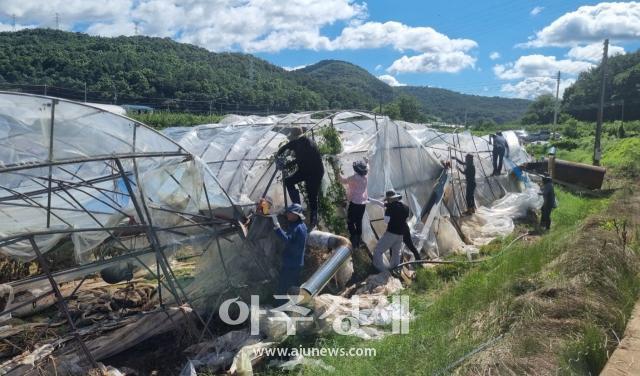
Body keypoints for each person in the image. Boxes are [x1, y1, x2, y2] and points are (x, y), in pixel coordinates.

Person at [276, 127, 325, 229]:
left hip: (315, 172)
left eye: (292, 138)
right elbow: (284, 148)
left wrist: (287, 165)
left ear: (296, 137)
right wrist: (278, 157)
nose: (291, 140)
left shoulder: (308, 144)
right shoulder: (296, 142)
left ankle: (313, 221)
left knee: (312, 195)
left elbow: (300, 160)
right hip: (304, 170)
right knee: (288, 181)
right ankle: (297, 207)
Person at [272, 204, 308, 296]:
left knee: (284, 287)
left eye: (289, 213)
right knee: (293, 287)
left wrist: (278, 229)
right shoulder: (302, 226)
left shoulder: (296, 227)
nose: (287, 214)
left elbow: (287, 239)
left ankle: (282, 307)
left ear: (296, 215)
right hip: (297, 262)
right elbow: (292, 239)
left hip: (291, 264)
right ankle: (295, 306)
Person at [372, 190, 411, 272]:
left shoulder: (390, 208)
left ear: (389, 199)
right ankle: (396, 270)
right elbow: (405, 218)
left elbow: (386, 221)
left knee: (378, 251)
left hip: (391, 233)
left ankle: (382, 270)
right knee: (396, 253)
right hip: (401, 234)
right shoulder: (406, 207)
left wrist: (386, 211)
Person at [339, 160, 369, 249]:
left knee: (350, 221)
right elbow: (368, 167)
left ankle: (353, 238)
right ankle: (358, 241)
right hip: (362, 203)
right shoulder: (365, 177)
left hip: (355, 203)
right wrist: (367, 162)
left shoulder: (355, 178)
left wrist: (337, 172)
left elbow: (343, 181)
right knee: (358, 222)